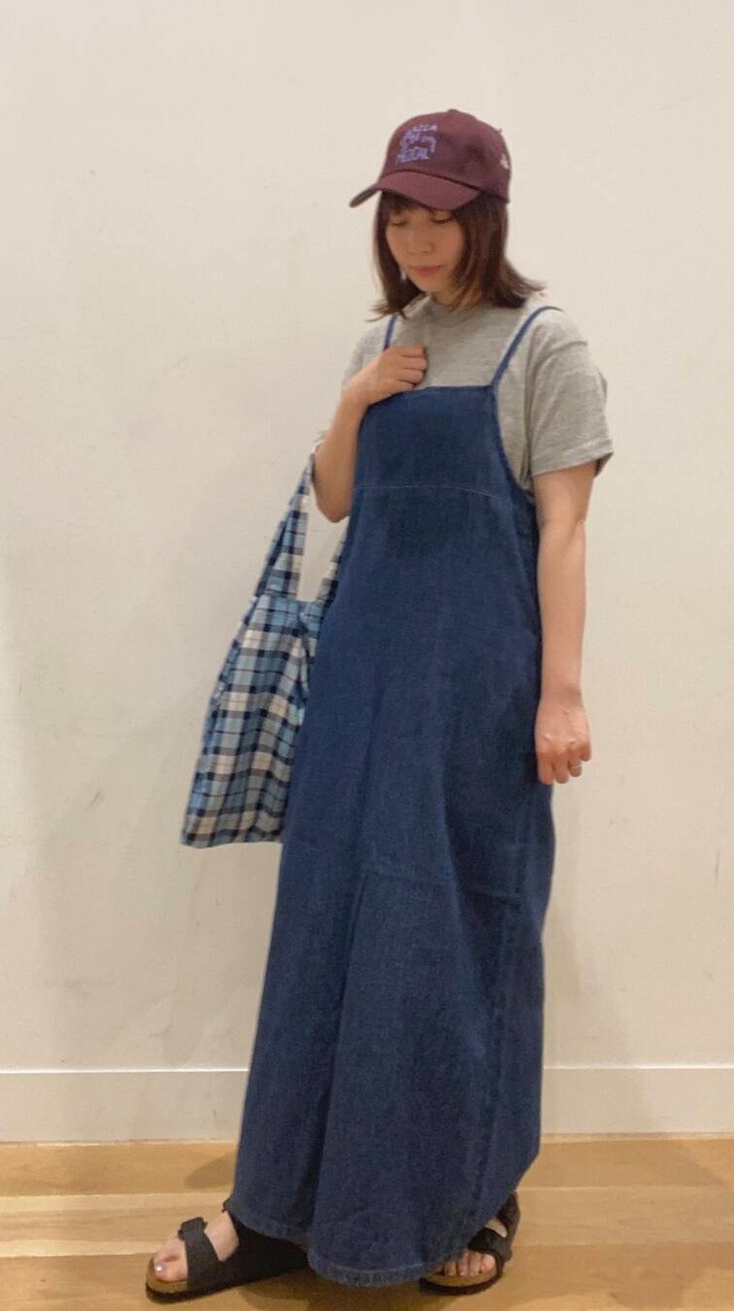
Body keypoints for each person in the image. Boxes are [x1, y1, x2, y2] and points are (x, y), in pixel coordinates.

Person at [146, 107, 613, 1301]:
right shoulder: (383, 337)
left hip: (475, 686)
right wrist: (357, 397)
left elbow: (563, 529)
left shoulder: (545, 346)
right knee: (328, 921)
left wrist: (560, 694)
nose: (414, 237)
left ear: (485, 216)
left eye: (437, 216)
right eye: (398, 215)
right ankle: (281, 1203)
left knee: (457, 928)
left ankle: (472, 1192)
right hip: (360, 674)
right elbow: (336, 499)